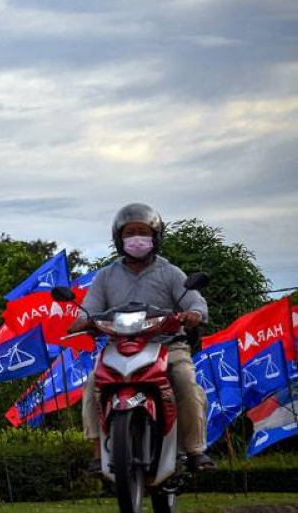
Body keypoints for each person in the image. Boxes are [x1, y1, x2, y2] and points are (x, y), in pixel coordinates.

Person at [69, 202, 215, 473]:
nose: (136, 238)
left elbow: (195, 302)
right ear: (119, 238)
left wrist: (194, 313)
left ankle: (195, 450)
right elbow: (89, 309)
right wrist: (82, 321)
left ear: (155, 237)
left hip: (167, 346)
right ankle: (97, 453)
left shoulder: (170, 272)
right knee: (92, 384)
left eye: (143, 232)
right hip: (118, 346)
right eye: (129, 233)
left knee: (185, 381)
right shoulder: (106, 276)